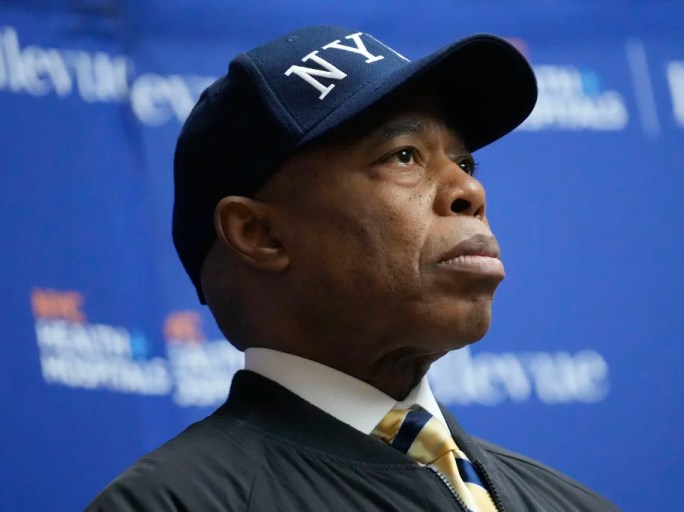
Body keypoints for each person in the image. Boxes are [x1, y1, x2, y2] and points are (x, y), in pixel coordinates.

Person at [87, 26, 619, 511]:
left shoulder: (574, 505)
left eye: (463, 162)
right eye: (404, 155)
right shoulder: (172, 503)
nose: (469, 190)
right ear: (260, 234)